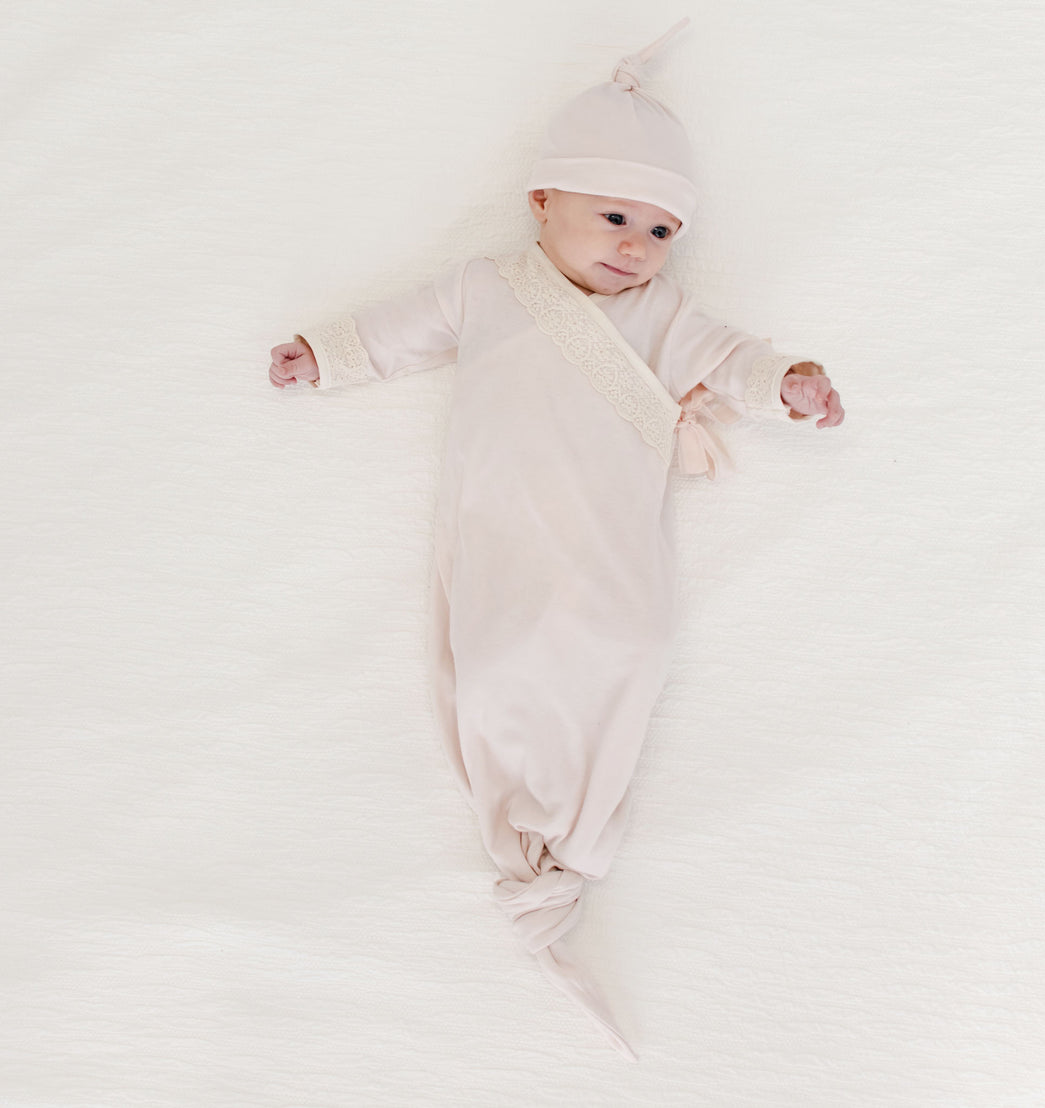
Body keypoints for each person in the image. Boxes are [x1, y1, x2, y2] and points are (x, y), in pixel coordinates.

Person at [267, 20, 843, 1060]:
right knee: (491, 665)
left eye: (660, 230)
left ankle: (576, 837)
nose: (634, 244)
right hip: (499, 535)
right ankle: (529, 839)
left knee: (624, 651)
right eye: (613, 214)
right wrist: (326, 352)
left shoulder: (663, 317)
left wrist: (788, 384)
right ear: (542, 202)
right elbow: (398, 328)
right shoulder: (484, 289)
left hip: (612, 548)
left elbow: (735, 357)